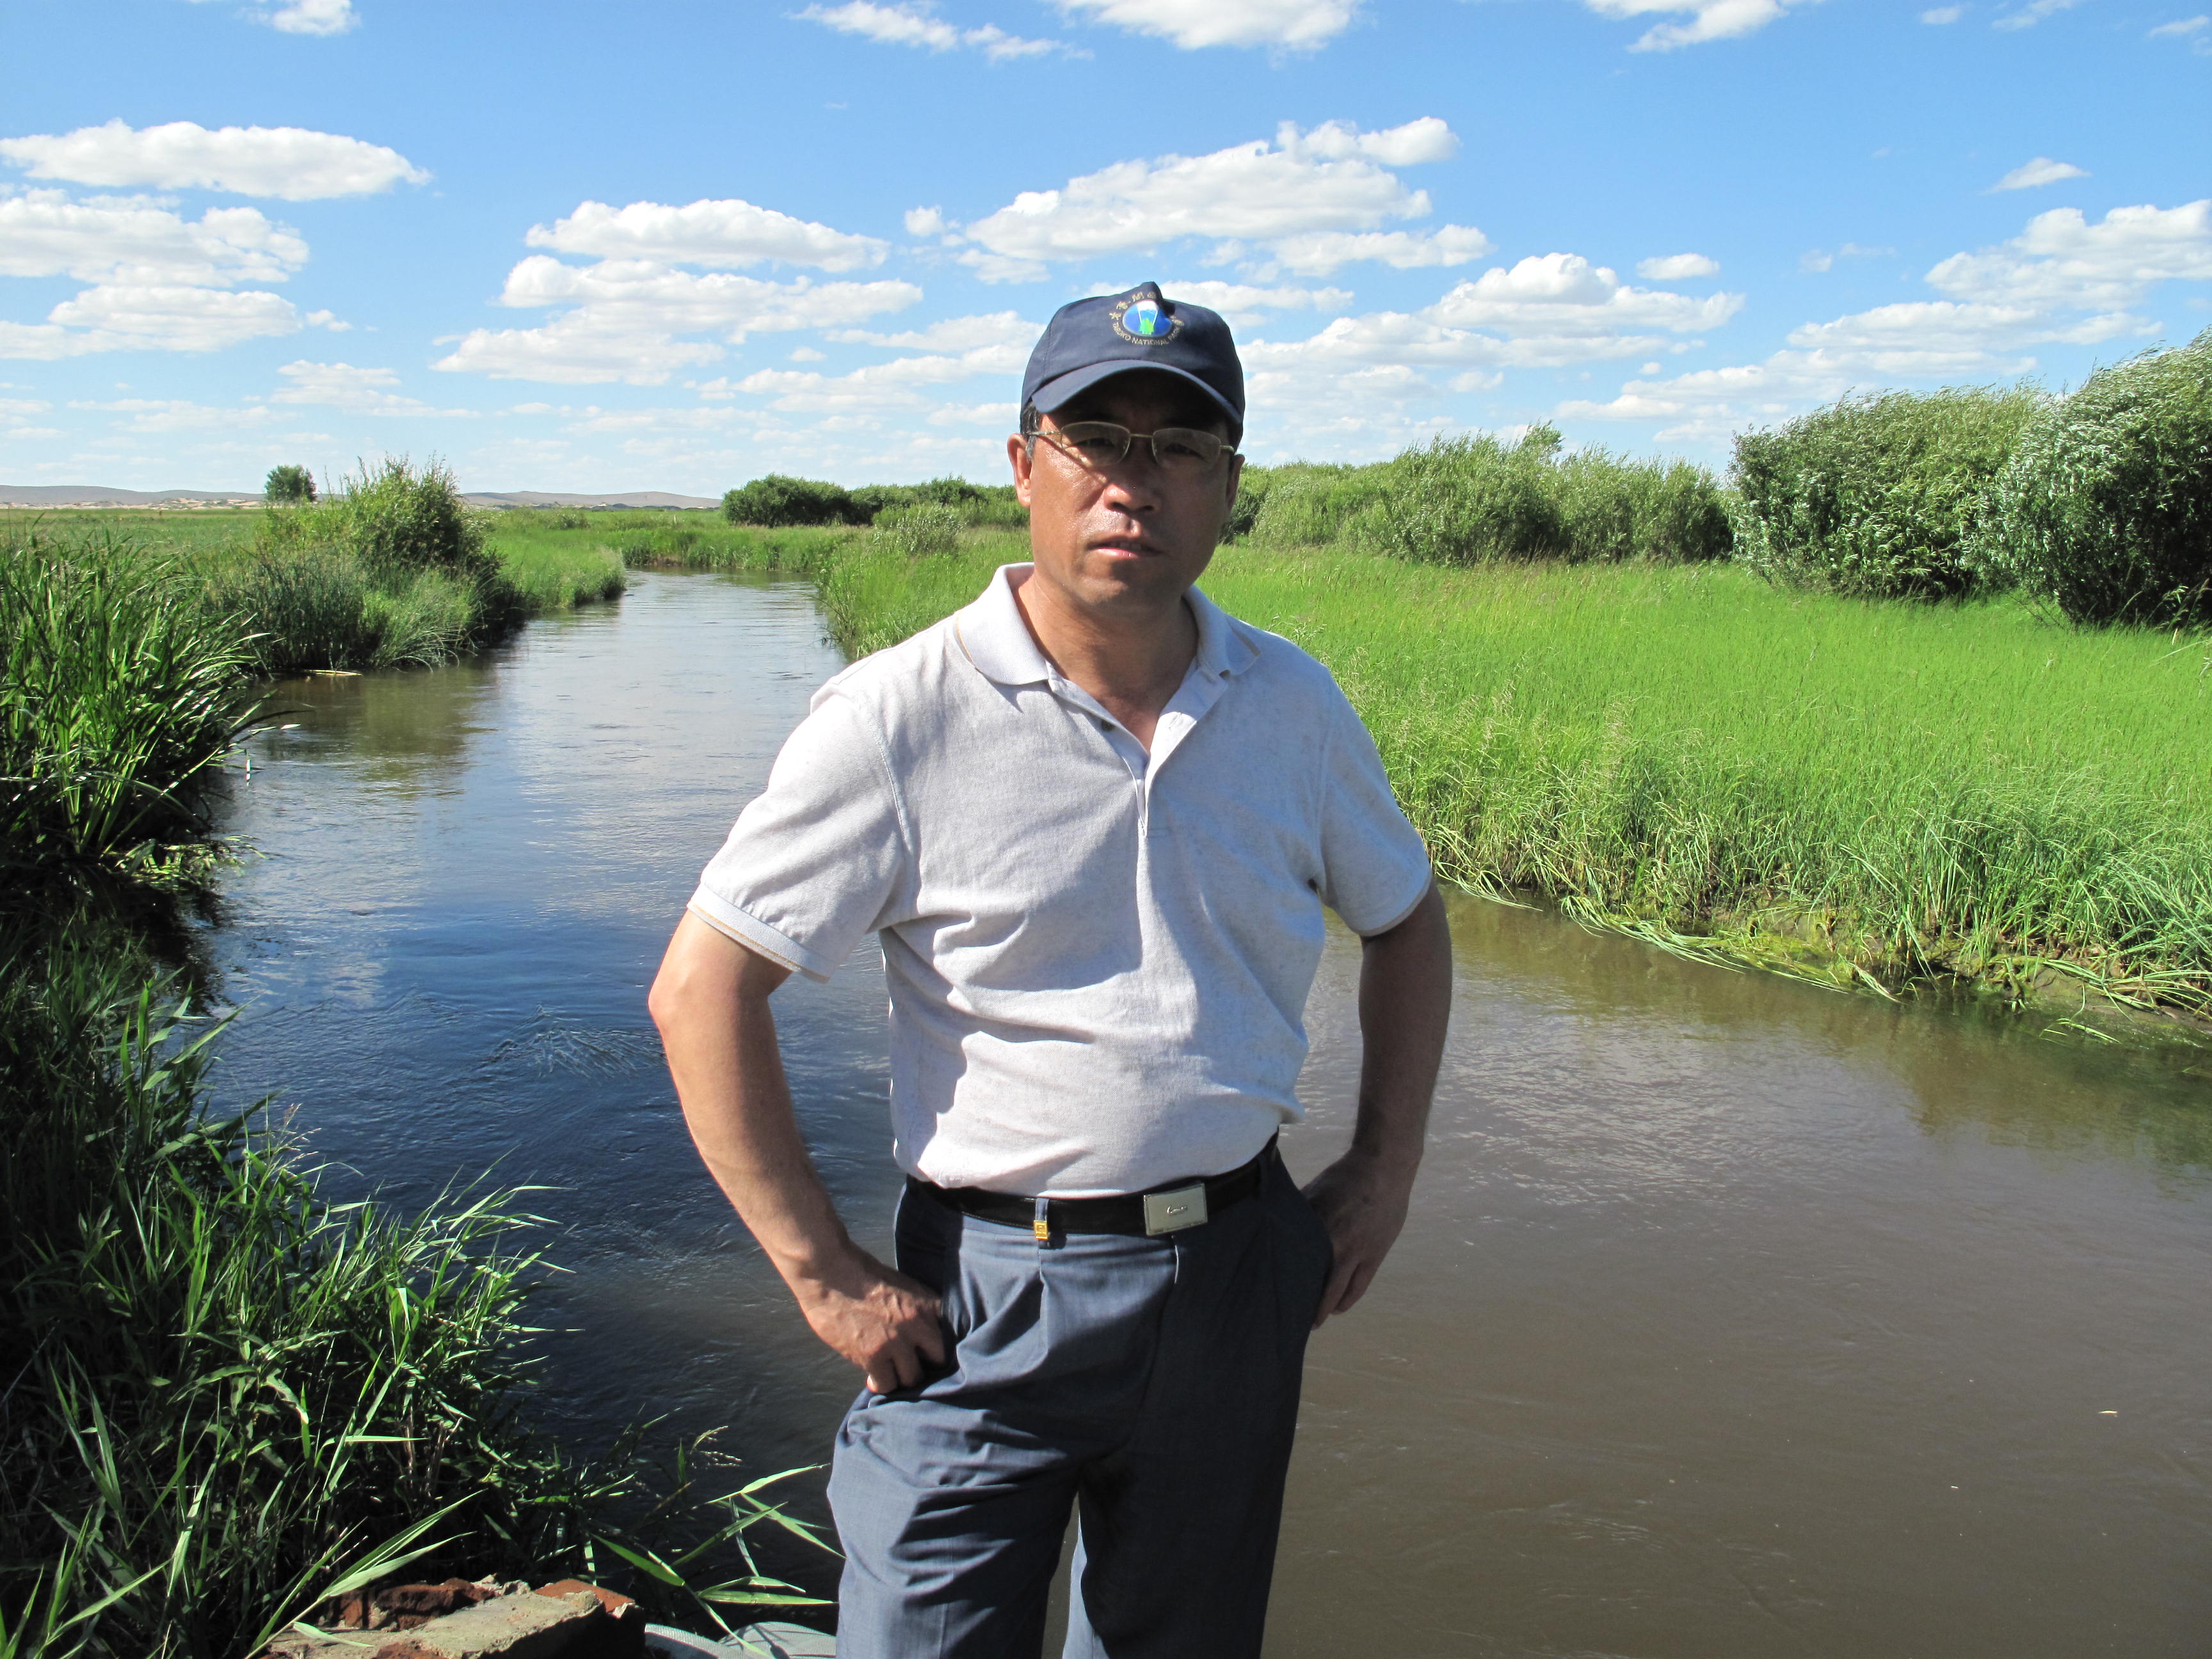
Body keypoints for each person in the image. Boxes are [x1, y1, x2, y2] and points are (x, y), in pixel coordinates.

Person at [648, 280, 1453, 1659]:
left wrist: (1385, 1169)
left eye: (1181, 446)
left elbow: (1409, 920)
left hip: (1236, 1274)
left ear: (1229, 489)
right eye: (1098, 440)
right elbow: (701, 990)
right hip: (983, 1302)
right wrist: (822, 1272)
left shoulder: (1292, 704)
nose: (1136, 482)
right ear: (1025, 465)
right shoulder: (897, 716)